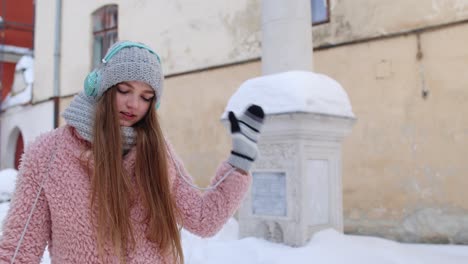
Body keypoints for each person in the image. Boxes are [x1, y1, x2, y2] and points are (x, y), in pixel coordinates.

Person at [0, 41, 264, 263]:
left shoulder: (158, 152)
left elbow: (203, 219)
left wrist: (240, 162)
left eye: (146, 96)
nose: (133, 104)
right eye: (123, 90)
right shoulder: (49, 154)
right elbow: (18, 252)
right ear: (101, 88)